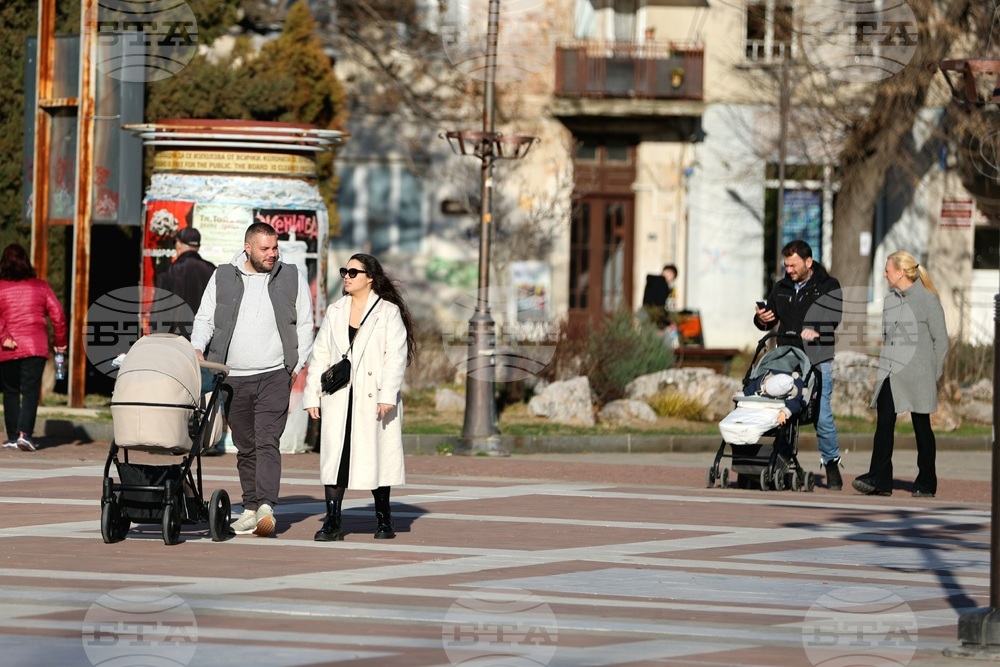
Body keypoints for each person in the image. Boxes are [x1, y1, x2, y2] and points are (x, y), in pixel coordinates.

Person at [191, 222, 314, 537]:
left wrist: (294, 366)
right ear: (248, 248)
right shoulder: (222, 276)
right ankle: (249, 508)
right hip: (233, 377)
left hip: (274, 374)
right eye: (265, 249)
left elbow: (305, 324)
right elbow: (205, 318)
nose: (272, 254)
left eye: (275, 248)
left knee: (267, 440)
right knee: (244, 446)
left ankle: (266, 507)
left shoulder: (291, 276)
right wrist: (197, 347)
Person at [304, 253, 415, 542]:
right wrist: (313, 396)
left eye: (354, 272)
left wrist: (387, 393)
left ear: (370, 277)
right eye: (345, 271)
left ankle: (383, 519)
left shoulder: (387, 311)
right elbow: (320, 355)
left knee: (376, 458)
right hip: (339, 397)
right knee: (335, 460)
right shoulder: (336, 310)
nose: (347, 276)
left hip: (373, 398)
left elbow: (396, 356)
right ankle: (333, 521)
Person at [853, 251, 948, 498]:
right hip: (890, 372)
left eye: (887, 270)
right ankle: (879, 479)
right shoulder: (889, 300)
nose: (885, 275)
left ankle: (927, 481)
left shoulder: (928, 300)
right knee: (884, 423)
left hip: (919, 376)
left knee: (921, 427)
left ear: (901, 272)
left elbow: (942, 342)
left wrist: (932, 374)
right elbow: (887, 337)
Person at [754, 240, 844, 489]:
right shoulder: (781, 287)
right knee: (781, 411)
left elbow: (833, 316)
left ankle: (831, 463)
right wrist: (761, 318)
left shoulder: (827, 286)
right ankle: (780, 460)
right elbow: (767, 319)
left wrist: (816, 330)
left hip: (817, 358)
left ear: (808, 262)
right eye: (786, 265)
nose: (789, 270)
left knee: (820, 415)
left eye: (793, 265)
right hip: (786, 357)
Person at [0, 244, 68, 452]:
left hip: (7, 349)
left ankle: (12, 436)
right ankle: (24, 435)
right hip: (34, 347)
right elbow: (58, 316)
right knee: (30, 392)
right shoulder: (41, 286)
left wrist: (4, 337)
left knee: (10, 392)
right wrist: (60, 343)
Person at [155, 226, 215, 332]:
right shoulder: (212, 270)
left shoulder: (169, 271)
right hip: (204, 338)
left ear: (178, 245)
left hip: (176, 339)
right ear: (198, 247)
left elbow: (160, 311)